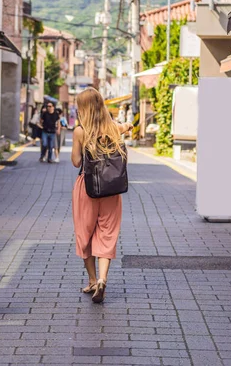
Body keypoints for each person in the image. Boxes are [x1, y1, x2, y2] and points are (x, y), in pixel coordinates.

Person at [71, 88, 132, 303]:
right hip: (111, 190)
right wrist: (128, 126)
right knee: (107, 234)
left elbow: (76, 162)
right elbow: (125, 126)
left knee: (84, 234)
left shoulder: (80, 131)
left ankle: (92, 280)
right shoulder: (113, 128)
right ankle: (103, 280)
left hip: (87, 189)